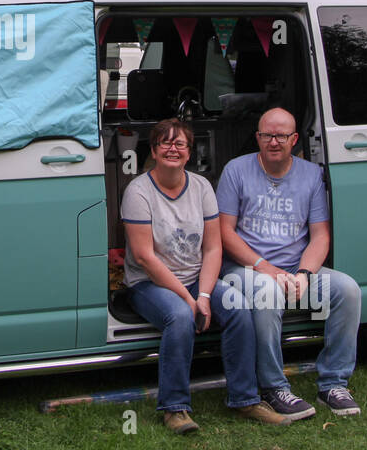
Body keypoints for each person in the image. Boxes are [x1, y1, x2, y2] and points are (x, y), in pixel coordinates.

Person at [122, 118, 288, 433]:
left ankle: (245, 400)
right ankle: (175, 409)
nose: (173, 148)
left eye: (180, 143)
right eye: (165, 143)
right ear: (154, 151)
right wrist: (189, 299)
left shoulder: (201, 187)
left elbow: (213, 250)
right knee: (181, 316)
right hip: (149, 282)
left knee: (239, 308)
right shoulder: (138, 191)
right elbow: (144, 256)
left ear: (189, 151)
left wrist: (205, 295)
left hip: (196, 277)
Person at [216, 108, 363, 418]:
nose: (273, 141)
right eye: (266, 135)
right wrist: (267, 269)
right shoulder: (236, 170)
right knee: (267, 292)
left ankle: (333, 383)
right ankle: (274, 387)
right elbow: (224, 233)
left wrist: (304, 274)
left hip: (296, 269)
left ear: (294, 139)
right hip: (243, 270)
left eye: (281, 136)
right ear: (257, 137)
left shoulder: (311, 174)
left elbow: (320, 236)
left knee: (347, 290)